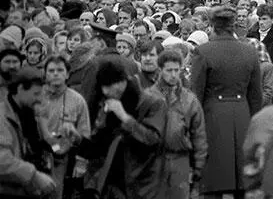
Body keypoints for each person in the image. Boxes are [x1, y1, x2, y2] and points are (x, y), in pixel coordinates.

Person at [189, 6, 263, 199]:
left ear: (213, 27)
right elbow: (256, 96)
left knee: (214, 180)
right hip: (242, 115)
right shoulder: (250, 52)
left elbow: (195, 92)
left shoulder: (203, 51)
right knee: (242, 180)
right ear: (232, 27)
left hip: (212, 117)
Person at [77, 58, 167, 199]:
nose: (106, 91)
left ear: (122, 82)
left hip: (139, 180)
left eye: (110, 85)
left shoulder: (152, 103)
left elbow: (153, 139)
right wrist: (77, 140)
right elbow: (98, 142)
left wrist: (124, 117)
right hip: (106, 179)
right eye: (103, 87)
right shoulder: (102, 100)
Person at [148, 49, 208, 199]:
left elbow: (199, 135)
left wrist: (198, 168)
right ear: (160, 69)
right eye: (169, 70)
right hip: (152, 162)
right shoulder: (148, 97)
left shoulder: (189, 100)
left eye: (177, 70)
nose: (173, 75)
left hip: (180, 160)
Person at [0, 67, 58, 198]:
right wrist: (34, 175)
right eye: (36, 94)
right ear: (20, 89)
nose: (40, 99)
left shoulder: (30, 115)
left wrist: (57, 143)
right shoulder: (2, 118)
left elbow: (48, 147)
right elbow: (2, 160)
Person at [38, 54, 90, 199]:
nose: (56, 74)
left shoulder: (77, 101)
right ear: (45, 73)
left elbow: (85, 135)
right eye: (51, 70)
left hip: (62, 161)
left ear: (67, 74)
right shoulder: (35, 96)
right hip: (35, 157)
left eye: (60, 70)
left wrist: (81, 163)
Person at [246, 4, 273, 80]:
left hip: (271, 81)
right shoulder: (250, 35)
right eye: (259, 19)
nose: (261, 22)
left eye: (264, 19)